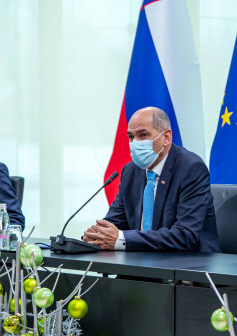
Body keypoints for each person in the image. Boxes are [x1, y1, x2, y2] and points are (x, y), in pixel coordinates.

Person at [83, 107, 221, 252]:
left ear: (166, 137)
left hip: (189, 266)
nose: (135, 143)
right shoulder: (130, 171)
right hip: (141, 265)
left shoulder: (191, 168)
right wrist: (97, 235)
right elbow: (115, 222)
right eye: (131, 137)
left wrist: (122, 239)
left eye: (143, 135)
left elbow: (185, 235)